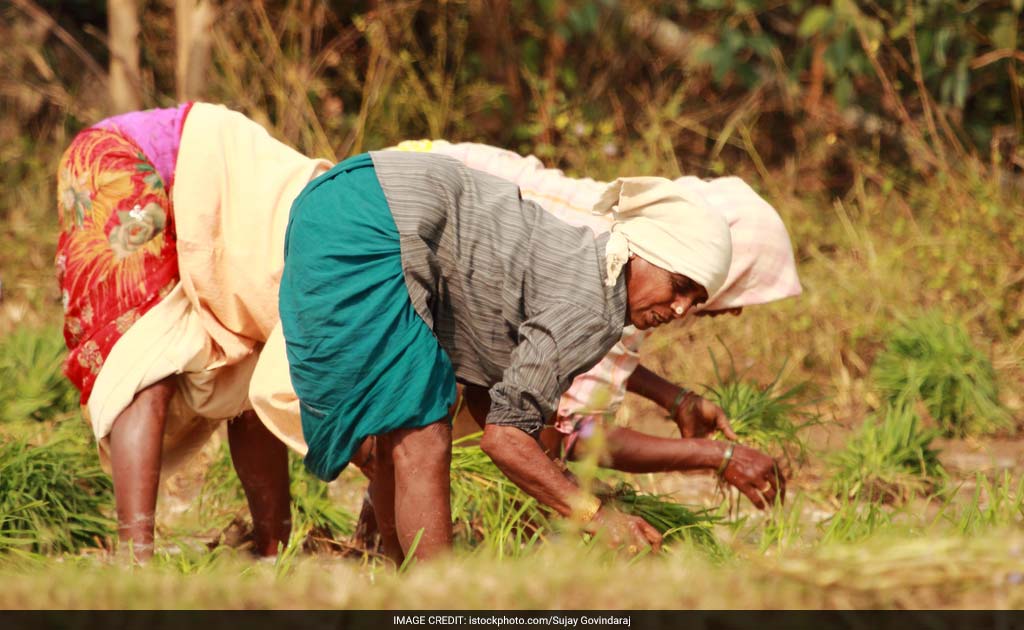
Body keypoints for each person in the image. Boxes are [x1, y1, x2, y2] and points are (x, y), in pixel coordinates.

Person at [269, 149, 734, 563]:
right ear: (641, 253)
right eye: (681, 287)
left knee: (405, 429)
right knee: (423, 434)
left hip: (343, 193)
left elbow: (493, 406)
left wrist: (567, 491)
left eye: (695, 301)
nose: (680, 310)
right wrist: (596, 515)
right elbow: (504, 439)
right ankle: (439, 608)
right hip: (374, 216)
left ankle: (409, 593)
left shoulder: (581, 264)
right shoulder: (593, 307)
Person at [390, 141, 801, 508]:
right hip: (411, 214)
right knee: (424, 426)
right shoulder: (627, 269)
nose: (736, 311)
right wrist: (719, 457)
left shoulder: (649, 259)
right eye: (747, 288)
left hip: (410, 175)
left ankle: (388, 548)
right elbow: (578, 435)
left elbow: (571, 353)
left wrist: (676, 399)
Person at [55, 102, 331, 559]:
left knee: (252, 367)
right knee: (144, 353)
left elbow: (269, 385)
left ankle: (272, 550)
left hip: (198, 187)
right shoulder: (322, 242)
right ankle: (136, 561)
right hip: (118, 158)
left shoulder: (319, 247)